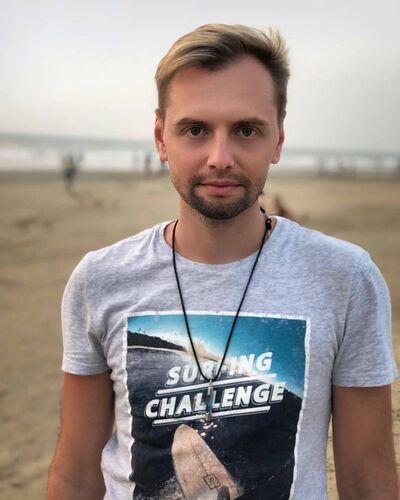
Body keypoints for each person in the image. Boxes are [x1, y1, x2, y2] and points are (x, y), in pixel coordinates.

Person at [48, 24, 398, 499]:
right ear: (161, 138)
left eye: (246, 130)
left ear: (278, 140)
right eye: (195, 130)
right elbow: (75, 472)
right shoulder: (100, 279)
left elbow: (369, 481)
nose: (219, 157)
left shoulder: (345, 278)